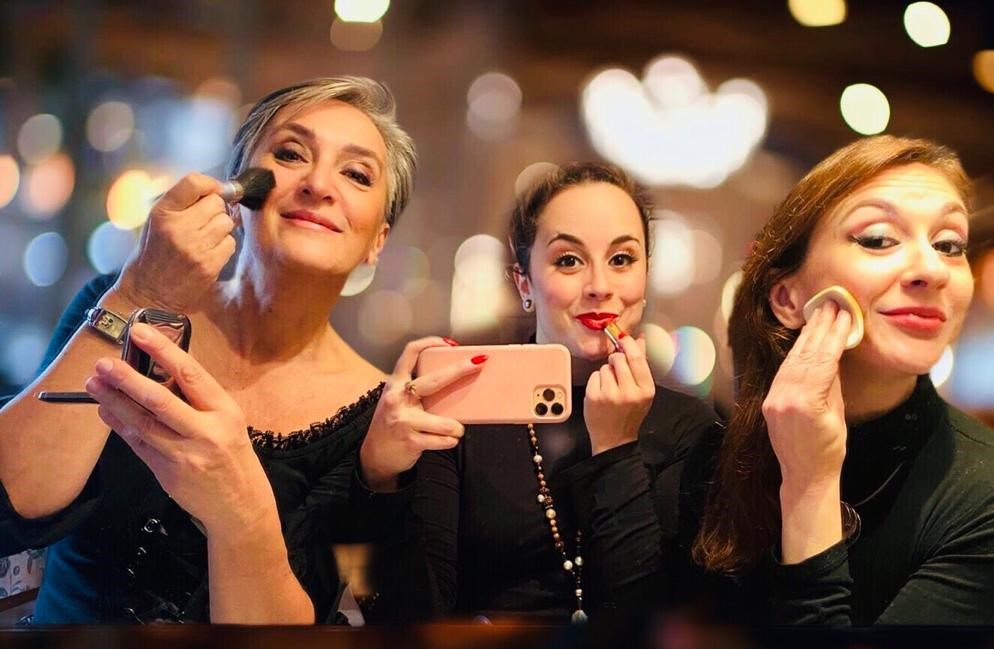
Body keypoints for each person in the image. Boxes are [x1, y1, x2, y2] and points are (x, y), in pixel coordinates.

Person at [0, 76, 467, 624]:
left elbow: (379, 614)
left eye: (357, 174)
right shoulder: (123, 305)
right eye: (290, 154)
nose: (319, 184)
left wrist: (237, 509)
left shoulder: (384, 422)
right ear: (236, 194)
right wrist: (137, 293)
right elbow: (14, 502)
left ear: (378, 240)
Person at [357, 162, 723, 622]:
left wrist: (616, 449)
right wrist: (380, 476)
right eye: (568, 260)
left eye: (621, 259)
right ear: (524, 282)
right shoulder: (461, 409)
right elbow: (409, 617)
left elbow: (657, 624)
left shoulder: (692, 428)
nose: (600, 286)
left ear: (645, 275)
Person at [693, 135, 994, 624]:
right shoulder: (699, 463)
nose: (932, 269)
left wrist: (811, 487)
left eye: (949, 245)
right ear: (787, 298)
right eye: (878, 239)